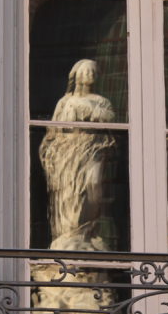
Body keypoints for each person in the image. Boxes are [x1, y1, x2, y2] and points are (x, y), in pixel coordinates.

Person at [39, 59, 115, 250]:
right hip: (68, 155)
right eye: (86, 71)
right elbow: (53, 132)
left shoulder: (101, 101)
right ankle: (70, 234)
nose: (90, 75)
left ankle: (88, 231)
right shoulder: (64, 102)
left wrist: (89, 110)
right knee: (69, 192)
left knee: (93, 185)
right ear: (77, 75)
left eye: (93, 72)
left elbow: (109, 118)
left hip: (92, 150)